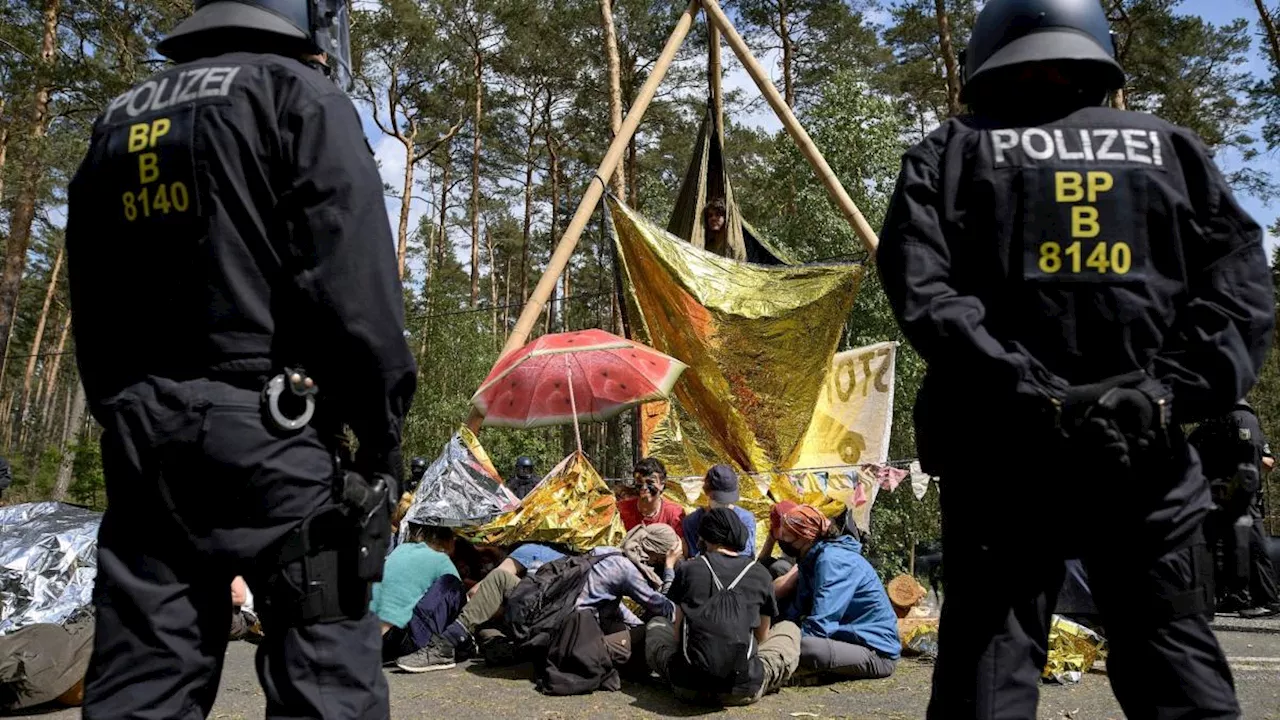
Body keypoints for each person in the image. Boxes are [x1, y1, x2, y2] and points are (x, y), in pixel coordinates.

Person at [876, 0, 1274, 715]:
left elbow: (922, 292)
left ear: (986, 55)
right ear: (1096, 53)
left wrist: (1022, 387)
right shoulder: (1173, 151)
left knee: (987, 678)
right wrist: (1166, 395)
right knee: (1176, 669)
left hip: (1000, 461)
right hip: (1144, 459)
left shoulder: (952, 152)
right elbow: (1242, 296)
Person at [64, 1, 417, 717]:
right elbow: (355, 290)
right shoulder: (300, 95)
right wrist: (382, 439)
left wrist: (121, 411)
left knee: (142, 683)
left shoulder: (120, 118)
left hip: (145, 445)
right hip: (275, 436)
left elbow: (90, 289)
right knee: (326, 685)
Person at [424, 529, 683, 672]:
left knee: (499, 583)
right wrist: (670, 569)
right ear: (656, 555)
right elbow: (663, 607)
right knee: (652, 630)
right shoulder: (624, 568)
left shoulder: (602, 553)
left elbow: (613, 606)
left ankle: (484, 642)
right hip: (566, 635)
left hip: (541, 621)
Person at [647, 507, 801, 706]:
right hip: (743, 688)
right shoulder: (760, 574)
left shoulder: (688, 569)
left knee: (657, 624)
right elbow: (762, 638)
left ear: (703, 537)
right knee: (790, 628)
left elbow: (677, 635)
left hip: (687, 687)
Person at [771, 505, 899, 682]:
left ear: (806, 536)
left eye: (787, 535)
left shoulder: (833, 561)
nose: (781, 539)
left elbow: (822, 624)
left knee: (806, 646)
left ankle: (802, 673)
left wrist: (780, 643)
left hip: (875, 652)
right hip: (845, 639)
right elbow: (797, 610)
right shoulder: (809, 560)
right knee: (782, 634)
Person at [1191, 400, 1278, 617]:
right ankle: (1233, 597)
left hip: (1238, 494)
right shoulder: (1207, 427)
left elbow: (1266, 461)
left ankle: (1267, 599)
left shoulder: (1242, 418)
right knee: (1213, 548)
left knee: (1252, 545)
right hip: (1210, 498)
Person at [371, 523, 465, 672]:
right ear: (448, 541)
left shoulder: (401, 550)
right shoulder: (441, 560)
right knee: (452, 585)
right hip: (402, 641)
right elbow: (462, 605)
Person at [683, 465, 757, 558]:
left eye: (728, 500)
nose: (724, 504)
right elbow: (694, 554)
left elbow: (747, 553)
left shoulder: (745, 518)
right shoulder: (693, 521)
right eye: (719, 499)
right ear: (707, 491)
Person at [617, 457, 686, 538]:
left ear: (662, 484)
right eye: (639, 482)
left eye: (650, 482)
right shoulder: (622, 509)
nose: (644, 487)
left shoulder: (674, 513)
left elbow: (682, 548)